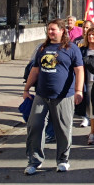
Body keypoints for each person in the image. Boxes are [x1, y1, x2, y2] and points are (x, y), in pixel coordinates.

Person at [23, 19, 84, 175]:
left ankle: (63, 160)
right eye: (49, 29)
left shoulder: (72, 48)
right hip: (41, 95)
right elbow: (35, 70)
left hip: (63, 96)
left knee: (62, 130)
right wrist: (26, 89)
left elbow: (79, 71)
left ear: (62, 30)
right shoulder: (42, 48)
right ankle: (34, 161)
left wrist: (78, 91)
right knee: (34, 126)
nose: (50, 32)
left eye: (53, 29)